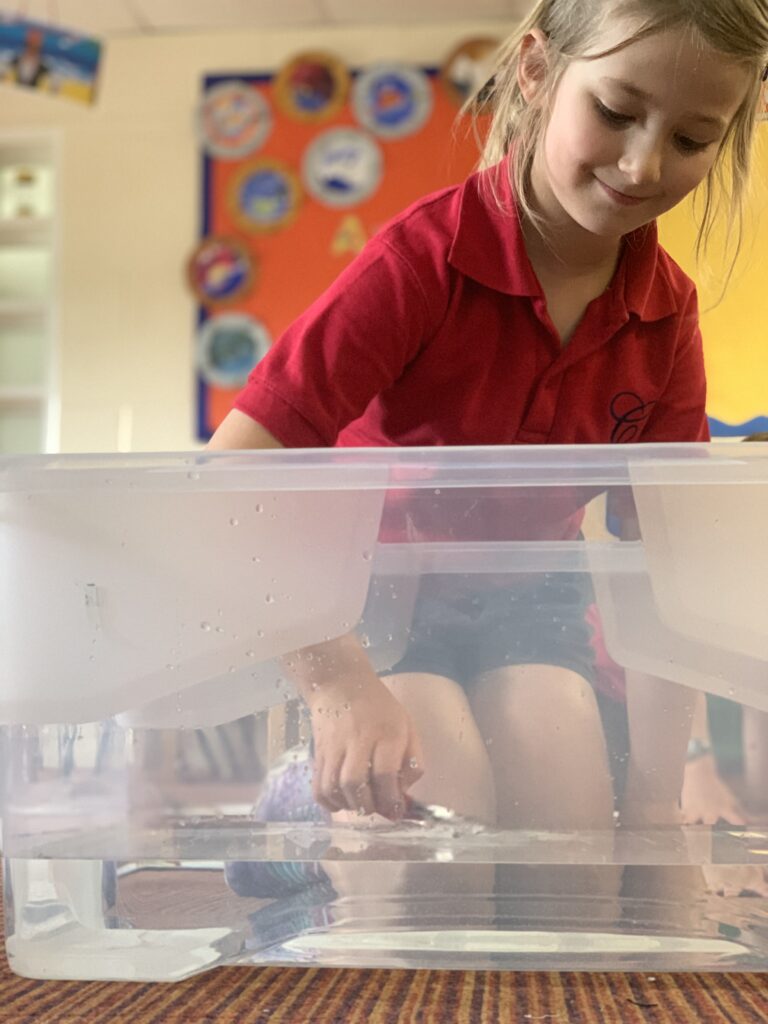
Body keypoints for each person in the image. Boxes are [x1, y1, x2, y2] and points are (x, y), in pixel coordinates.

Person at [210, 0, 768, 925]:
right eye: (618, 110)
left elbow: (667, 578)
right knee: (438, 863)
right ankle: (298, 821)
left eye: (692, 137)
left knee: (570, 879)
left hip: (530, 602)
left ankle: (377, 823)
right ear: (540, 72)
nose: (642, 164)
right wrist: (338, 687)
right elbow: (230, 480)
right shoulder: (415, 265)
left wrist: (665, 816)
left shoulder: (666, 313)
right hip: (375, 605)